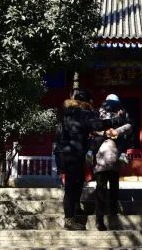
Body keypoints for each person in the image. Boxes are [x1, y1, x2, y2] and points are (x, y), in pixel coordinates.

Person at [53, 88, 106, 230]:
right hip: (72, 154)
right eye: (90, 101)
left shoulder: (68, 113)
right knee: (71, 186)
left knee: (78, 180)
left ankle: (76, 207)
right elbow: (97, 125)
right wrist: (116, 120)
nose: (91, 103)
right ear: (85, 101)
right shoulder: (82, 113)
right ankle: (69, 221)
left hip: (64, 153)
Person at [92, 95, 131, 230]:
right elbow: (129, 126)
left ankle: (99, 219)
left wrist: (104, 133)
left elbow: (92, 128)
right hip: (114, 155)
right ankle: (113, 213)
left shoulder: (98, 113)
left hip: (100, 157)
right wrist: (116, 132)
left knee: (100, 189)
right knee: (113, 188)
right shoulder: (121, 113)